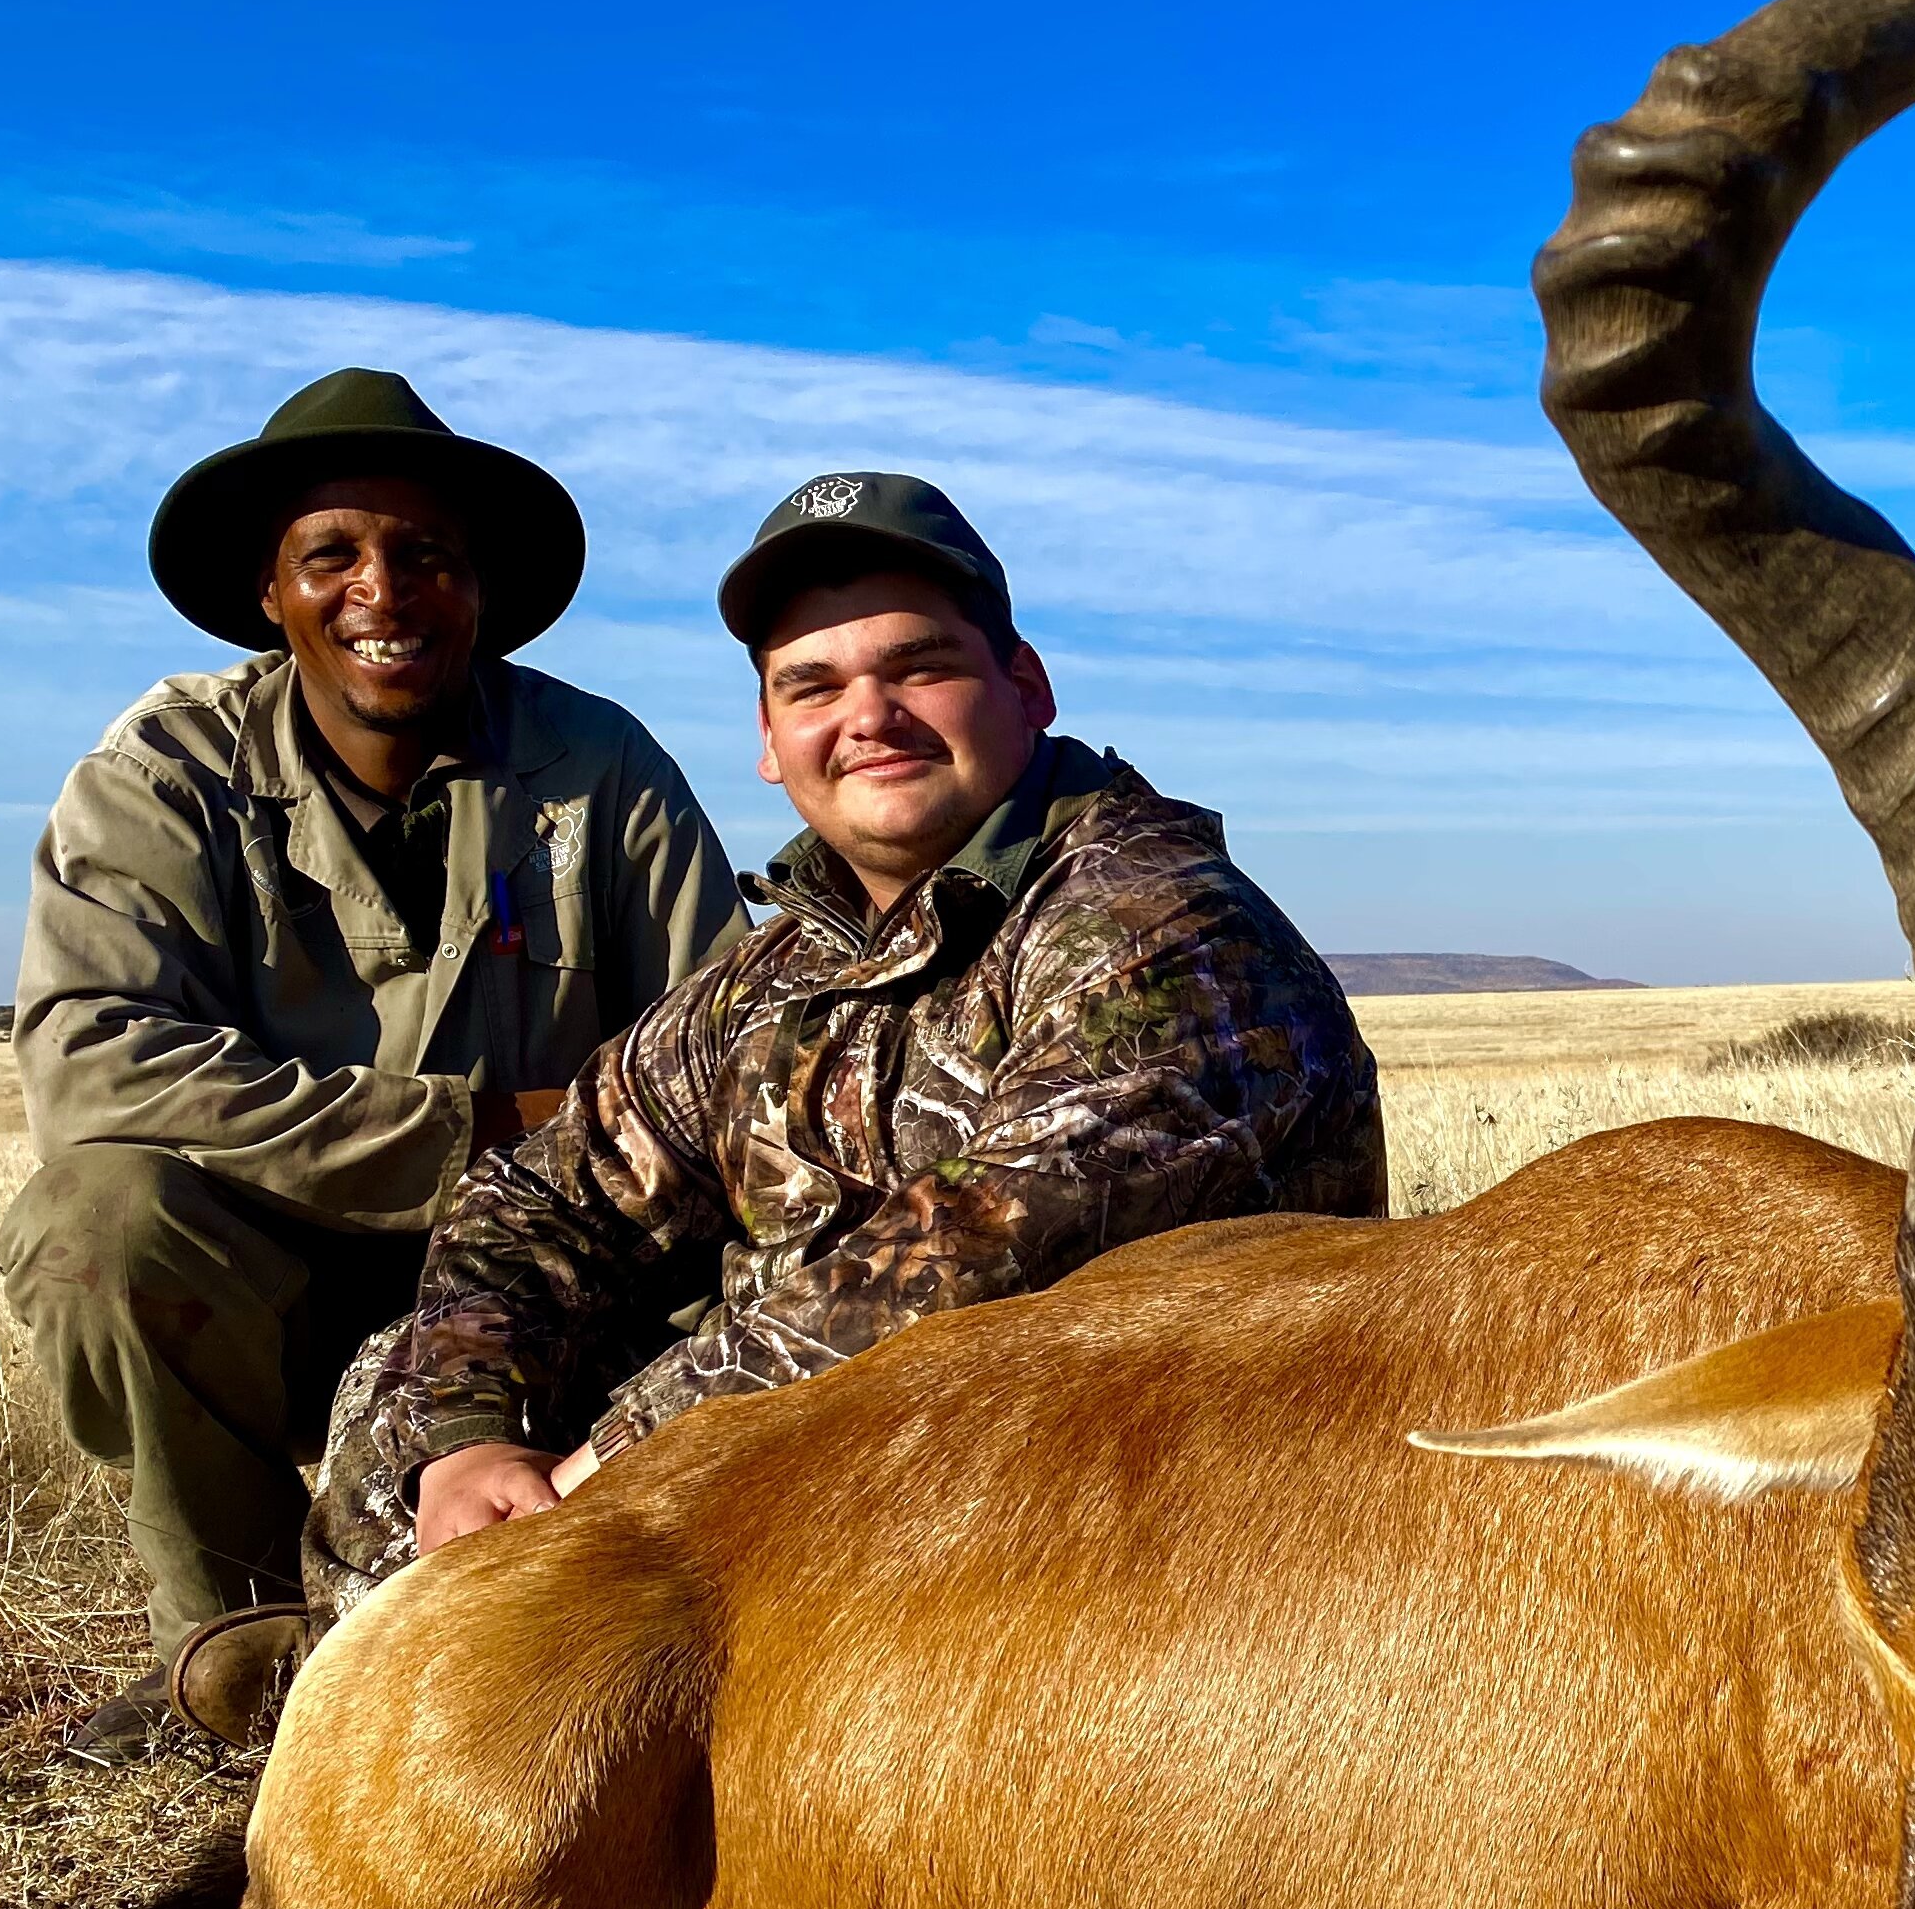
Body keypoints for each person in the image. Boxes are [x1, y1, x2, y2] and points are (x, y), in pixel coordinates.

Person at [179, 471, 1383, 1734]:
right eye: (813, 687)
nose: (869, 718)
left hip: (1120, 1531)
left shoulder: (1160, 921)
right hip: (804, 1491)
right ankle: (396, 1672)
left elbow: (979, 1256)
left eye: (918, 669)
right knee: (414, 1383)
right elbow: (542, 1195)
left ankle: (424, 1689)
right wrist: (474, 1447)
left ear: (1025, 687)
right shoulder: (778, 969)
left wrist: (606, 1470)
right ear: (767, 740)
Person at [2, 369, 741, 1756]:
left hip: (554, 1293)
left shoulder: (601, 765)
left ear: (480, 589)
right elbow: (94, 1073)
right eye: (331, 555)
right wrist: (483, 1131)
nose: (382, 592)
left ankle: (604, 1614)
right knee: (92, 1221)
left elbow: (727, 1052)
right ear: (268, 594)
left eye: (425, 556)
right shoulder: (161, 769)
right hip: (274, 1286)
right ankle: (234, 1655)